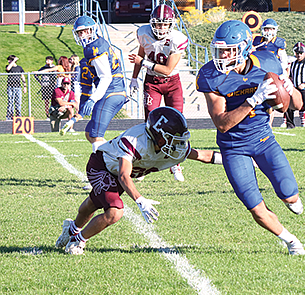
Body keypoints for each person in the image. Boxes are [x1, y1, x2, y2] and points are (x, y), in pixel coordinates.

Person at [196, 20, 305, 255]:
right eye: (219, 49)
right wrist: (252, 101)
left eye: (228, 50)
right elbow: (222, 124)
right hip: (233, 147)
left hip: (263, 140)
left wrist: (289, 88)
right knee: (255, 208)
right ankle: (291, 241)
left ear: (245, 48)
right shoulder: (210, 75)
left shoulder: (267, 61)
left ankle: (290, 199)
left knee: (291, 196)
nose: (222, 55)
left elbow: (297, 105)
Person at [55, 107, 223, 255]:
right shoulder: (135, 140)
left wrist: (238, 160)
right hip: (102, 166)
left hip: (118, 172)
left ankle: (71, 229)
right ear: (157, 136)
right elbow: (123, 176)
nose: (178, 142)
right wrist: (140, 200)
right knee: (115, 211)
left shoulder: (172, 147)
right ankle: (78, 240)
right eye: (173, 137)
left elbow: (204, 156)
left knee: (94, 202)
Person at [128, 4, 188, 182]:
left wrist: (143, 63)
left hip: (172, 83)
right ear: (152, 23)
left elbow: (168, 69)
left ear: (171, 24)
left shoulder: (178, 39)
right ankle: (143, 165)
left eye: (165, 24)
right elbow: (140, 55)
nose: (161, 28)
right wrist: (134, 78)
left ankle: (175, 164)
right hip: (152, 83)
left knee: (179, 125)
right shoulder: (143, 32)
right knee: (150, 124)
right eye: (158, 24)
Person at [72, 15, 127, 152]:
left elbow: (106, 77)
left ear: (93, 30)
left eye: (86, 31)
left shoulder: (95, 48)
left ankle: (108, 167)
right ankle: (118, 154)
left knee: (96, 136)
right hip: (114, 91)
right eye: (80, 32)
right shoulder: (96, 44)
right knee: (89, 133)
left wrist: (93, 99)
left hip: (111, 92)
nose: (83, 35)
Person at [60, 57, 97, 135]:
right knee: (96, 109)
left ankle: (71, 122)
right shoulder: (91, 63)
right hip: (90, 88)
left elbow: (79, 78)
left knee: (81, 110)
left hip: (83, 88)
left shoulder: (81, 65)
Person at [6, 55, 26, 120]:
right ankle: (9, 116)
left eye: (10, 60)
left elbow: (22, 76)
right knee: (10, 101)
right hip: (10, 87)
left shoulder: (19, 68)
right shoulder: (9, 67)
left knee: (18, 102)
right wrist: (13, 61)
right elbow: (8, 69)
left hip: (18, 87)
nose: (9, 61)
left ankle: (18, 115)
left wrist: (24, 86)